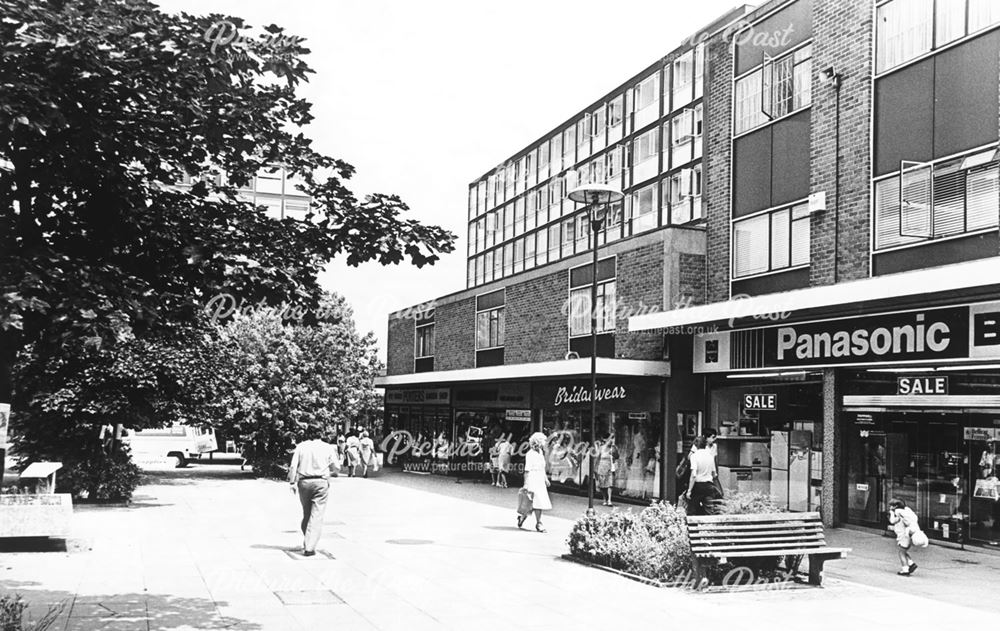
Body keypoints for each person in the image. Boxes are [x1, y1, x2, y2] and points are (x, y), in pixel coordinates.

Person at [288, 428, 340, 556]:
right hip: (321, 482)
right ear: (321, 434)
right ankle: (309, 547)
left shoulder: (301, 447)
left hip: (304, 482)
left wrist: (292, 482)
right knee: (317, 514)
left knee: (307, 513)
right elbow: (337, 467)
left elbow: (293, 466)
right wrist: (331, 473)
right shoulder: (328, 447)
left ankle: (307, 539)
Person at [519, 432, 552, 532]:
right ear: (538, 442)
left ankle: (538, 523)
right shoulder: (530, 454)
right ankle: (522, 517)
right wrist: (526, 483)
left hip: (540, 479)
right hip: (532, 478)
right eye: (543, 441)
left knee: (539, 501)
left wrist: (545, 478)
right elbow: (527, 469)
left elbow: (542, 468)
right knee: (530, 502)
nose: (545, 443)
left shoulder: (541, 453)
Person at [684, 436, 721, 515]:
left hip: (697, 486)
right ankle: (709, 526)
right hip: (709, 486)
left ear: (695, 445)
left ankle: (694, 527)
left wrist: (689, 491)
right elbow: (714, 474)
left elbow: (693, 475)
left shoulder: (694, 456)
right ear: (705, 445)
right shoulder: (710, 456)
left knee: (692, 511)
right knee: (709, 512)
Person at [888, 498, 922, 575]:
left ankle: (905, 569)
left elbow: (892, 521)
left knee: (901, 553)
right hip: (908, 535)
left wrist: (891, 513)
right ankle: (911, 563)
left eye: (892, 506)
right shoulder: (906, 512)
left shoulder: (899, 514)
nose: (890, 507)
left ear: (896, 506)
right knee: (903, 551)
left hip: (904, 536)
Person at [596, 433, 618, 507]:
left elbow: (617, 456)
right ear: (605, 440)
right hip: (602, 467)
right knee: (602, 485)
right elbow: (597, 458)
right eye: (610, 439)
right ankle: (605, 499)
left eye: (612, 439)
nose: (611, 440)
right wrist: (595, 469)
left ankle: (609, 500)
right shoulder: (601, 448)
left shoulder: (613, 448)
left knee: (610, 484)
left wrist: (614, 447)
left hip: (610, 467)